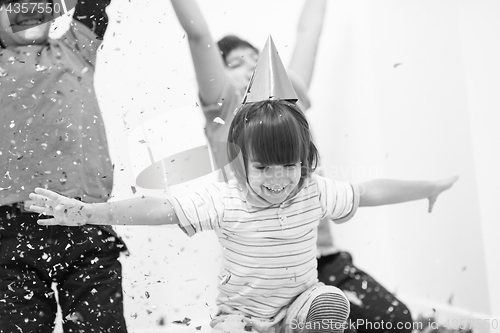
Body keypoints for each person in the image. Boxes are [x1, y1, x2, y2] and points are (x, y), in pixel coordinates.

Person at [27, 42, 458, 333]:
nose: (278, 179)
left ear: (306, 162)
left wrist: (427, 187)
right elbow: (160, 209)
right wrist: (89, 213)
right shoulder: (226, 198)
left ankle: (304, 321)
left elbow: (369, 192)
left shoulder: (312, 190)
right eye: (264, 167)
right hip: (241, 316)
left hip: (299, 304)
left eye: (289, 166)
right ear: (241, 165)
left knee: (326, 299)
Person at [172, 0, 416, 330]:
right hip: (260, 281)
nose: (249, 66)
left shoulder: (290, 104)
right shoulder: (224, 111)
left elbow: (308, 32)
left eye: (254, 59)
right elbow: (198, 35)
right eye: (235, 62)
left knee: (395, 320)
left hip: (318, 266)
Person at [0, 1, 128, 332]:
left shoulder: (76, 48)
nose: (27, 10)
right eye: (13, 5)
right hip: (10, 233)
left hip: (85, 221)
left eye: (37, 4)